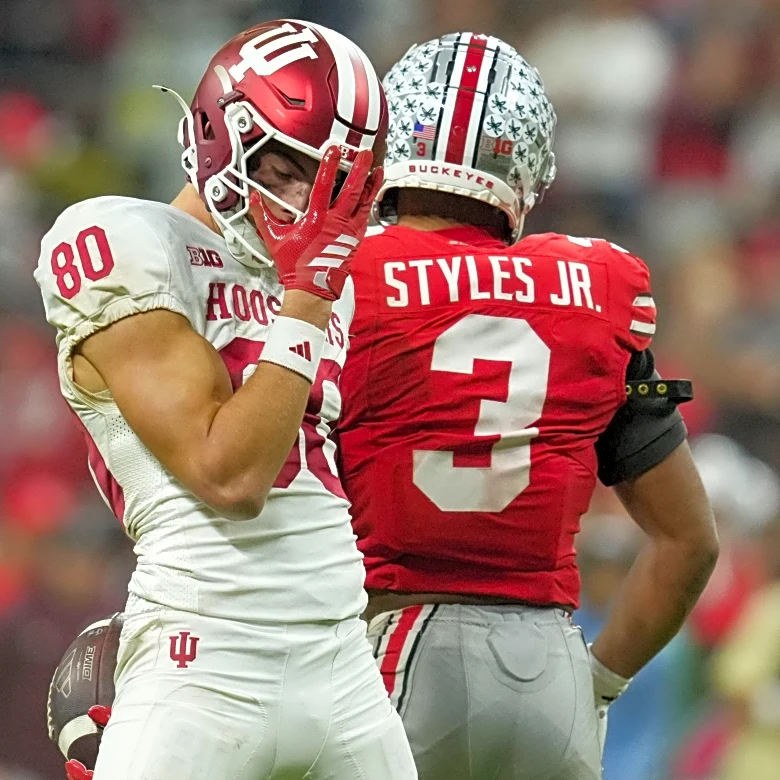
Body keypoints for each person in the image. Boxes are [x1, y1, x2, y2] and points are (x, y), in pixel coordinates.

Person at [35, 19, 417, 780]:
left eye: (334, 184)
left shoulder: (328, 270)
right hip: (204, 659)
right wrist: (307, 298)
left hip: (344, 662)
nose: (307, 206)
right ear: (218, 134)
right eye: (284, 170)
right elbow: (229, 476)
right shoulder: (124, 240)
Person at [336, 32, 720, 780]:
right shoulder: (598, 294)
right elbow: (690, 543)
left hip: (391, 643)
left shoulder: (347, 276)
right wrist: (596, 687)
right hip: (548, 670)